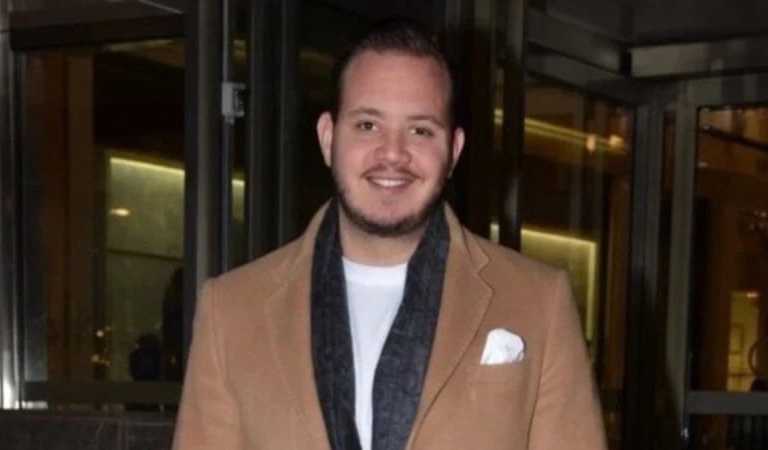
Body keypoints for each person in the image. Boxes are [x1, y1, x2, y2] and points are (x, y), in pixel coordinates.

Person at [173, 20, 606, 450]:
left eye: (420, 130)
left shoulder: (538, 302)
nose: (394, 153)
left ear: (453, 151)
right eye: (368, 125)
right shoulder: (232, 310)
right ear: (328, 138)